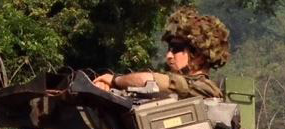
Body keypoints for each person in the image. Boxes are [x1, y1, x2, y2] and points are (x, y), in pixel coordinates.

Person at [93, 7, 229, 100]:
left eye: (177, 48)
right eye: (169, 48)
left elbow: (146, 80)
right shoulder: (181, 89)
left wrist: (114, 80)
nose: (169, 56)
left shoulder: (203, 88)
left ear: (198, 56)